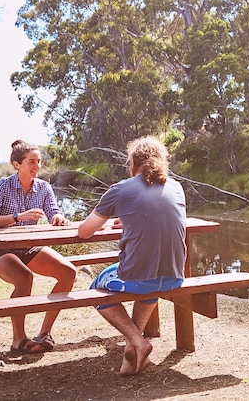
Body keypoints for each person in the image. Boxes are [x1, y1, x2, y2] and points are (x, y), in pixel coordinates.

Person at [77, 136, 187, 376]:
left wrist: (118, 219)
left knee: (96, 289)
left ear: (132, 164)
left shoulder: (120, 189)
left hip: (138, 276)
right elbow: (158, 219)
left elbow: (84, 232)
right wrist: (128, 219)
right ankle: (132, 348)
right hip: (175, 276)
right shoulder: (176, 186)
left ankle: (138, 341)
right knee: (148, 282)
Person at [0, 139, 77, 355]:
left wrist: (59, 217)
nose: (37, 166)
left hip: (28, 248)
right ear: (17, 164)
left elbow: (53, 211)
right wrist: (17, 217)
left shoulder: (43, 187)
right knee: (24, 278)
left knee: (68, 272)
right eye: (31, 161)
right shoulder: (1, 186)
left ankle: (44, 333)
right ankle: (18, 340)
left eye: (39, 161)